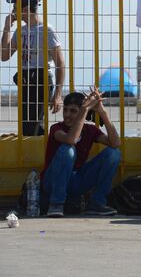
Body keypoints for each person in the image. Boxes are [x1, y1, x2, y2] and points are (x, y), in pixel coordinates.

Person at [41, 87, 120, 217]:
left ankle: (97, 203)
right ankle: (56, 204)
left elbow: (115, 143)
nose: (67, 114)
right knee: (68, 150)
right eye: (65, 110)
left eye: (73, 111)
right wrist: (84, 109)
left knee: (114, 153)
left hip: (76, 181)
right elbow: (71, 139)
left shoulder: (90, 130)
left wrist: (102, 111)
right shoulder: (57, 128)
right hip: (53, 182)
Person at [2, 0, 65, 136]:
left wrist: (58, 94)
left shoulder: (47, 30)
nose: (13, 10)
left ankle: (40, 154)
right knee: (26, 125)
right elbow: (4, 56)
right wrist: (7, 27)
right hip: (25, 78)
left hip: (40, 77)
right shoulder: (21, 31)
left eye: (15, 6)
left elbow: (60, 62)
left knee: (35, 125)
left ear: (25, 9)